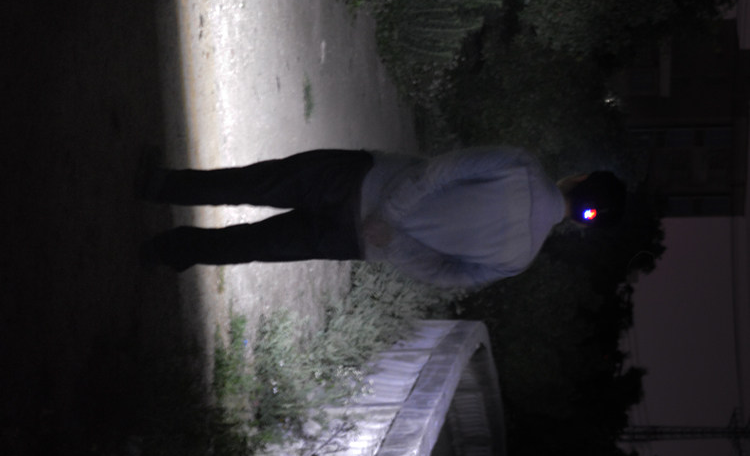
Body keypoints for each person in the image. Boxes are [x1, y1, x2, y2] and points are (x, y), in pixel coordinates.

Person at [138, 146, 627, 289]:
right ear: (582, 223)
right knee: (255, 246)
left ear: (580, 175)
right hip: (357, 239)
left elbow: (441, 171)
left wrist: (390, 212)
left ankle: (162, 186)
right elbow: (443, 274)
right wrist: (389, 239)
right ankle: (167, 251)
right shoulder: (518, 260)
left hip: (359, 179)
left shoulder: (523, 167)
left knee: (253, 183)